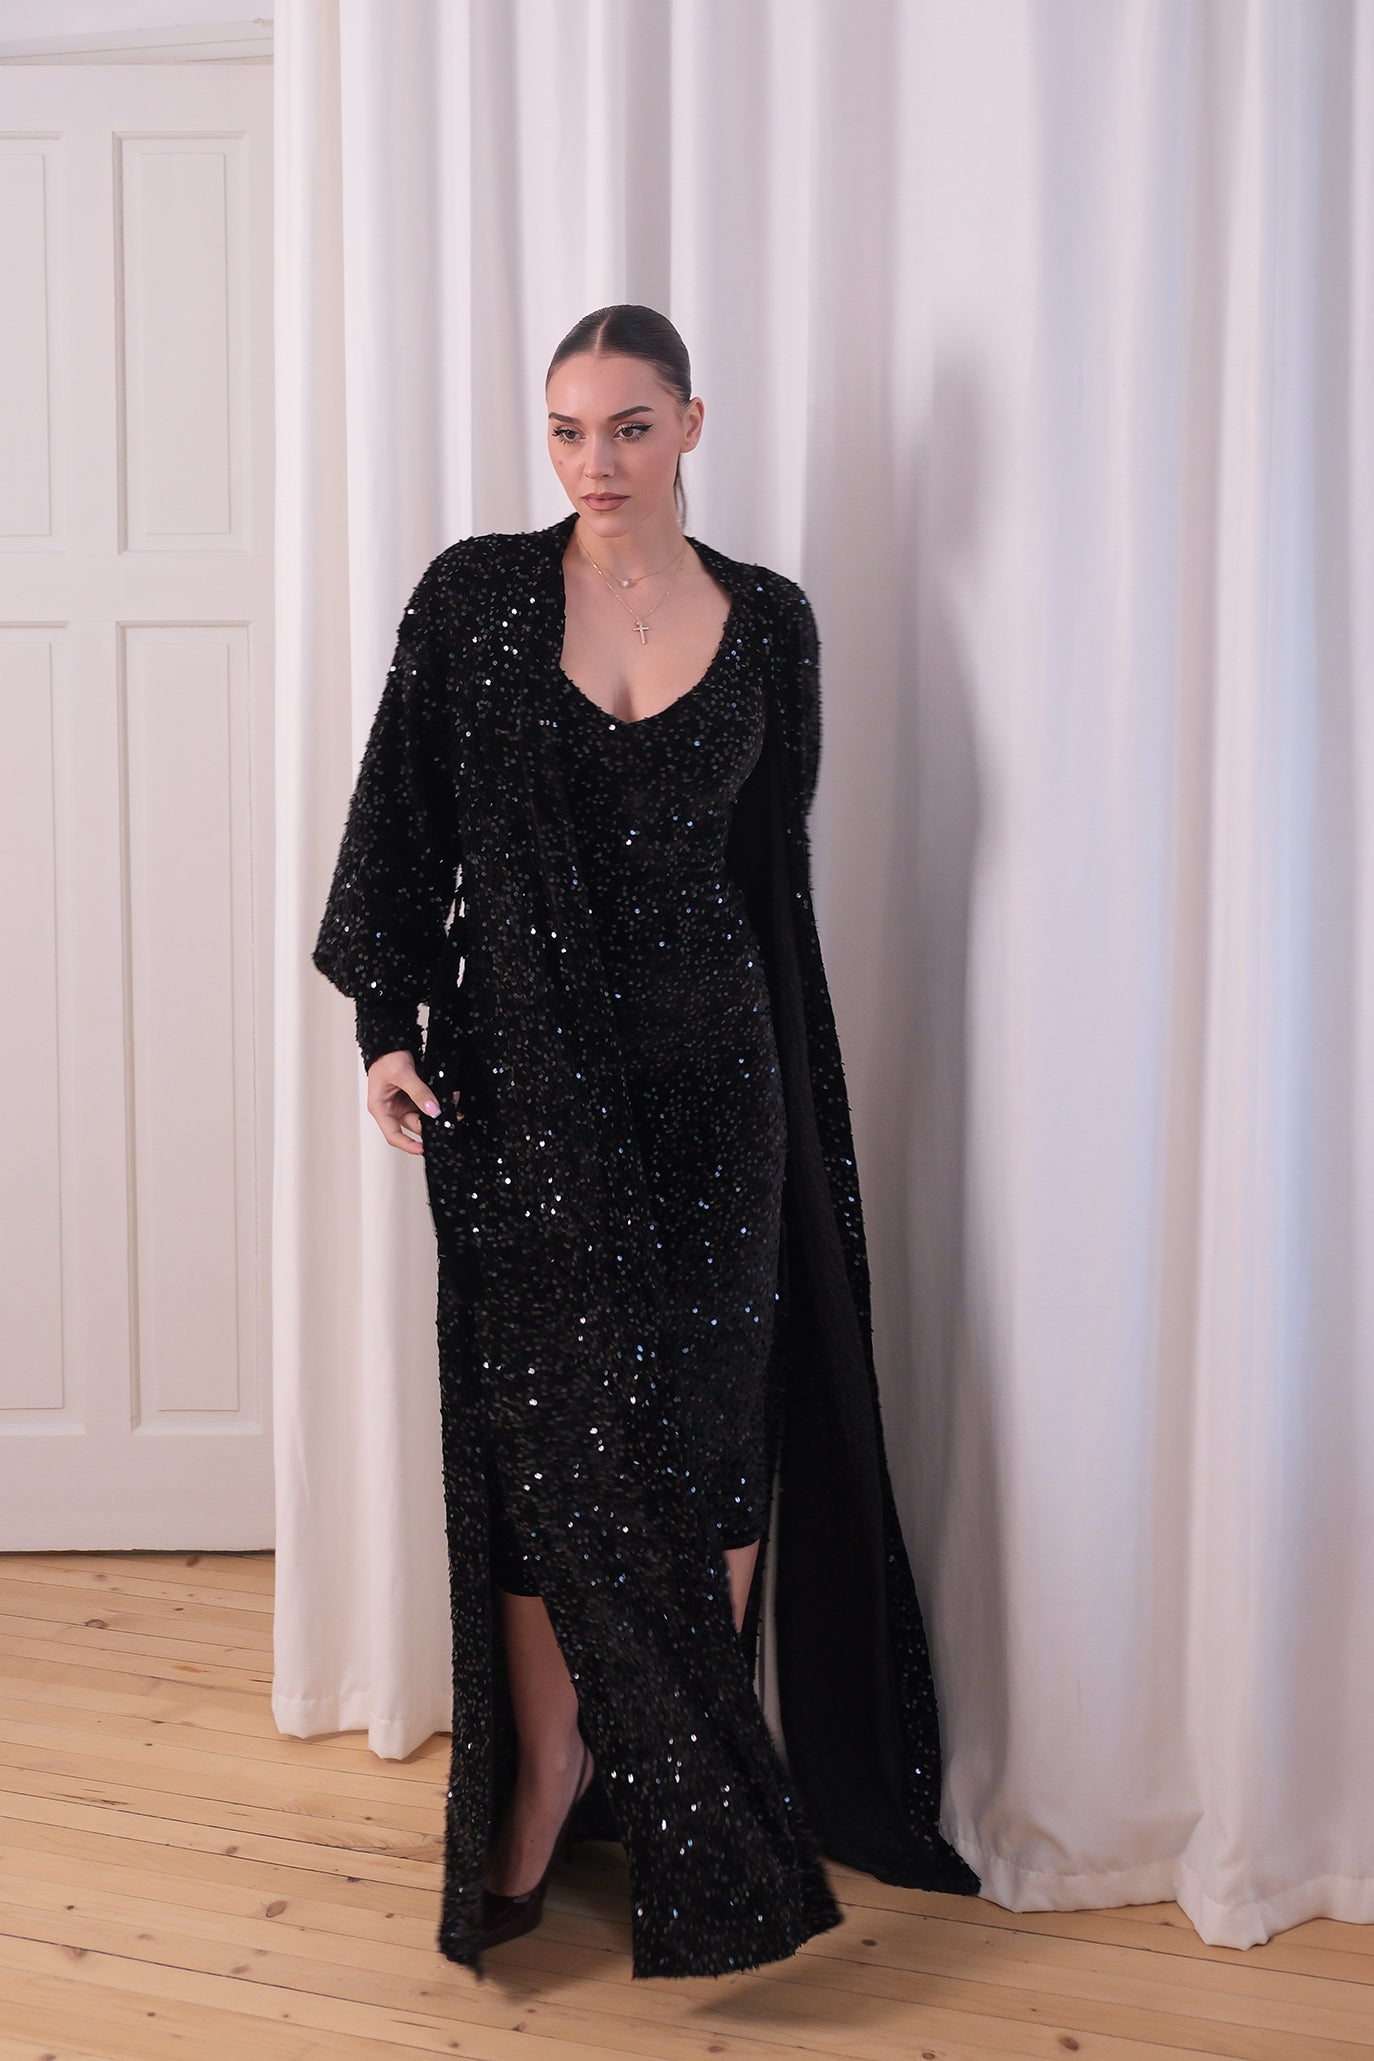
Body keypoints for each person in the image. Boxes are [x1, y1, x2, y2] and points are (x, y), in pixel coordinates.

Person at [312, 304, 980, 1982]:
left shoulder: (770, 622)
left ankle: (692, 1793)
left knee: (706, 1428)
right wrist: (386, 1024)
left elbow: (771, 870)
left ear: (690, 422)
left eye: (624, 425)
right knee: (545, 1442)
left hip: (713, 1089)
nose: (591, 461)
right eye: (563, 429)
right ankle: (547, 1777)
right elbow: (397, 824)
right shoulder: (473, 597)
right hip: (520, 1088)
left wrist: (791, 1091)